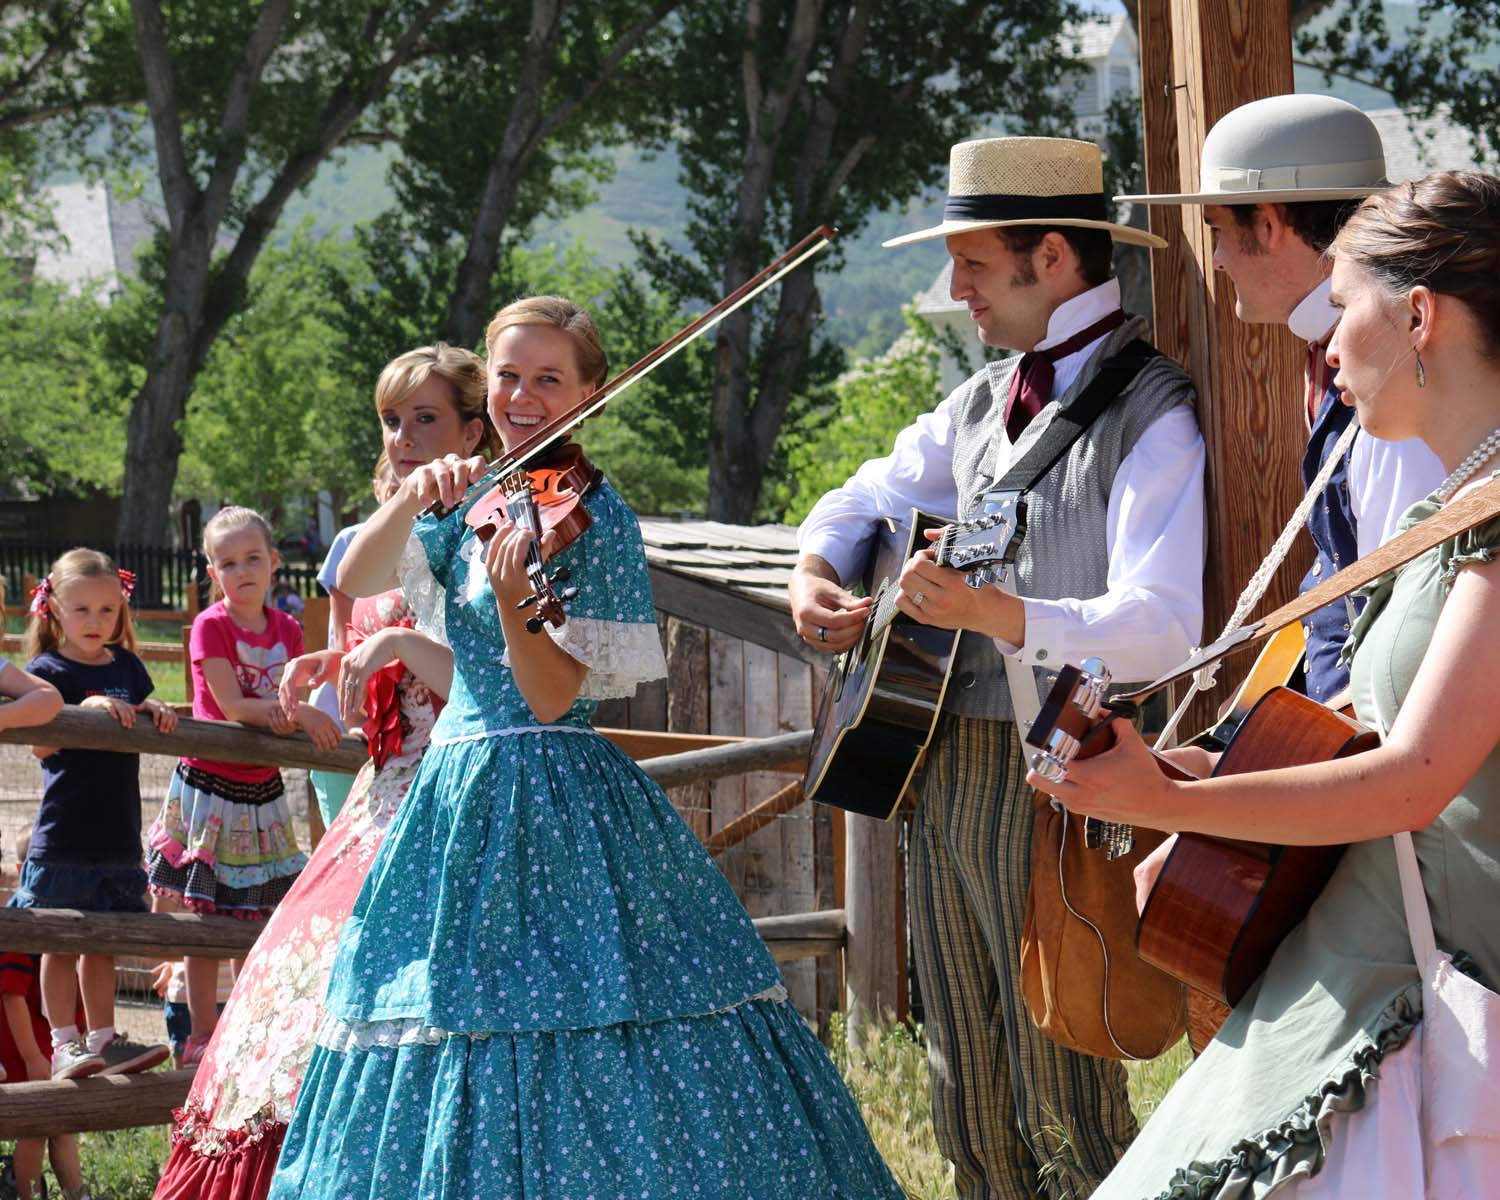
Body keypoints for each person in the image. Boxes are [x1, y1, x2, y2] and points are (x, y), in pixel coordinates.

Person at [269, 297, 904, 1198]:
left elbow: (552, 692)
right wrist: (417, 492)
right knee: (439, 1014)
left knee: (596, 1007)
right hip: (452, 795)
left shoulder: (595, 518)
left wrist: (522, 595)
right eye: (507, 376)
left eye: (548, 379)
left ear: (590, 393)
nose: (522, 397)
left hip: (555, 789)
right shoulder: (472, 498)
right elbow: (362, 574)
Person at [1030, 169, 1500, 1197]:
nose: (1326, 347)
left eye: (1342, 308)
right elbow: (1380, 735)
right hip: (1359, 961)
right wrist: (1197, 765)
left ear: (1419, 315)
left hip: (1423, 988)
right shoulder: (1458, 514)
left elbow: (1417, 778)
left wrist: (1167, 800)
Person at [792, 136, 1207, 1198]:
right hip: (938, 762)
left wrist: (995, 611)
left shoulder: (1157, 412)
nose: (954, 287)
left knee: (1060, 1073)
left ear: (1055, 256)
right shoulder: (979, 401)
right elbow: (859, 500)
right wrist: (820, 568)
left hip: (1063, 765)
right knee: (963, 1079)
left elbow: (1164, 625)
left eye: (974, 261)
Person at [151, 344, 494, 1200]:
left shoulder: (494, 519)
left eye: (426, 419)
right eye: (391, 419)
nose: (404, 437)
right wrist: (333, 665)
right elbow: (364, 684)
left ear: (471, 428)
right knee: (298, 983)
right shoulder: (368, 535)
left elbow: (504, 689)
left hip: (470, 788)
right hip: (378, 800)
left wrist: (403, 646)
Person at [1119, 93, 1446, 706]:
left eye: (1217, 230)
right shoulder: (1356, 356)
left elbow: (1404, 608)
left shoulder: (1395, 382)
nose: (1214, 259)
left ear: (1268, 225)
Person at [145, 507, 339, 1067]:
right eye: (228, 563)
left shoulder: (287, 629)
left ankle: (244, 1024)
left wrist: (299, 709)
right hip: (211, 783)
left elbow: (291, 694)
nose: (243, 571)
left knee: (249, 909)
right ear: (212, 571)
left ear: (275, 563)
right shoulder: (212, 626)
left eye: (253, 558)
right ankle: (201, 1031)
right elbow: (232, 705)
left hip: (260, 790)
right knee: (204, 909)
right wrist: (298, 715)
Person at [15, 549, 174, 1079]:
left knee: (101, 943)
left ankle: (103, 1041)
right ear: (54, 608)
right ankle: (65, 1043)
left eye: (107, 610)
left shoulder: (127, 666)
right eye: (82, 610)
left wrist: (155, 711)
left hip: (117, 835)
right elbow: (40, 748)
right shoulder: (46, 671)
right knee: (61, 943)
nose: (95, 621)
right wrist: (82, 711)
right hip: (64, 836)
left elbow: (138, 711)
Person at [304, 459, 402, 828]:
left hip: (401, 713)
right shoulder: (352, 540)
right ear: (377, 489)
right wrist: (355, 714)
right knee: (346, 827)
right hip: (349, 705)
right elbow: (346, 637)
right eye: (393, 488)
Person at [0, 838, 91, 1200]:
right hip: (26, 1046)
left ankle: (76, 1194)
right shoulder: (23, 922)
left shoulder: (69, 919)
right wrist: (31, 1056)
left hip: (54, 1047)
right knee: (35, 1126)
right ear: (26, 871)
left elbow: (75, 988)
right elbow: (11, 994)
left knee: (63, 1123)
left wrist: (79, 1036)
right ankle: (26, 1193)